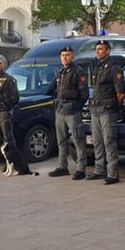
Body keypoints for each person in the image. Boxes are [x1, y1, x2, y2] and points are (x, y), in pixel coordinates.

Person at [0, 55, 30, 175]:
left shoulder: (9, 79)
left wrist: (5, 106)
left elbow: (15, 98)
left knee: (8, 139)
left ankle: (10, 162)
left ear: (4, 64)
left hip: (3, 112)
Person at [47, 45, 89, 179]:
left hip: (72, 111)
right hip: (60, 110)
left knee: (78, 139)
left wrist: (76, 106)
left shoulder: (78, 72)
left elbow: (84, 94)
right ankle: (62, 166)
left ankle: (81, 169)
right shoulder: (60, 72)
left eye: (67, 55)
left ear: (72, 56)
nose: (65, 57)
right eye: (63, 55)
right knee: (61, 140)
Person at [88, 40, 125, 185]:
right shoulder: (97, 67)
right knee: (97, 142)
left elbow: (120, 93)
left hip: (107, 110)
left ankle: (112, 173)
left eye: (101, 49)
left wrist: (115, 107)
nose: (98, 51)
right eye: (96, 49)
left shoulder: (113, 68)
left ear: (108, 51)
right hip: (95, 110)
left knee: (109, 141)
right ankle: (99, 170)